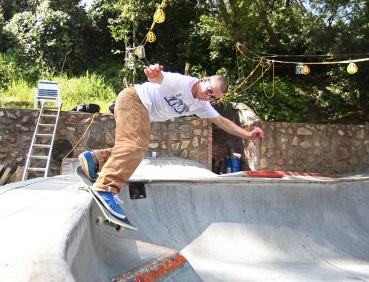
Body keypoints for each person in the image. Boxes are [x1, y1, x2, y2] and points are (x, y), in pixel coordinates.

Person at [78, 64, 264, 219]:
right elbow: (160, 79)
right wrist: (154, 74)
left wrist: (247, 135)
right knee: (136, 145)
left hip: (140, 109)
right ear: (205, 79)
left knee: (133, 146)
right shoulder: (181, 82)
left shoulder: (201, 105)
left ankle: (94, 159)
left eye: (213, 97)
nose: (207, 97)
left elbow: (222, 122)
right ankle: (105, 188)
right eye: (209, 91)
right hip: (134, 99)